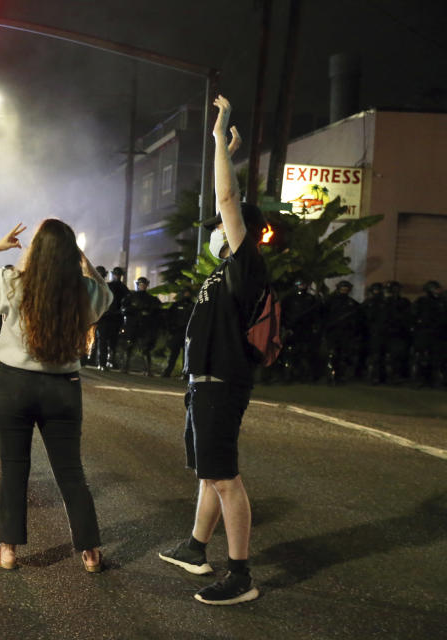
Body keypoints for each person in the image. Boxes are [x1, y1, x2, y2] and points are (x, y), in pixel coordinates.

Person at [158, 96, 265, 605]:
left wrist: (221, 139)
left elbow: (228, 199)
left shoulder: (246, 266)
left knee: (225, 477)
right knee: (209, 472)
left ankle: (241, 575)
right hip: (206, 383)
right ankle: (197, 548)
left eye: (223, 227)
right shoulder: (224, 271)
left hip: (222, 384)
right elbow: (225, 203)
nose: (218, 231)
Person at [0, 220, 111, 573]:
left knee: (14, 468)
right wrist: (80, 257)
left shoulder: (12, 282)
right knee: (71, 471)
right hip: (64, 387)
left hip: (14, 385)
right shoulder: (84, 290)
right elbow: (107, 294)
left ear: (34, 250)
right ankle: (90, 553)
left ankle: (8, 550)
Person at [279, 279, 322, 382]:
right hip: (291, 329)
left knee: (305, 353)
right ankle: (287, 376)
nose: (301, 286)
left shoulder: (311, 299)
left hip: (305, 330)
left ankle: (304, 376)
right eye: (299, 284)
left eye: (303, 284)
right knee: (289, 353)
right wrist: (286, 326)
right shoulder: (288, 299)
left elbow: (316, 315)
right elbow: (282, 314)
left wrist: (315, 327)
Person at [322, 280, 362, 384]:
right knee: (332, 354)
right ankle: (331, 375)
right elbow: (323, 315)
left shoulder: (352, 303)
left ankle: (340, 376)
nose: (344, 290)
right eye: (342, 287)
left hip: (346, 333)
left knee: (344, 355)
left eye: (346, 288)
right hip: (332, 331)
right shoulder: (330, 301)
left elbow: (357, 319)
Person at [123, 276, 161, 376]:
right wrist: (135, 310)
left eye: (144, 285)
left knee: (146, 348)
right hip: (133, 325)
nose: (142, 286)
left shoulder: (151, 298)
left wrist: (148, 312)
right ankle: (125, 367)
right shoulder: (131, 297)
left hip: (145, 326)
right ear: (138, 285)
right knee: (129, 345)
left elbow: (156, 310)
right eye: (141, 284)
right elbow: (124, 309)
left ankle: (148, 370)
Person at [411, 280, 445, 387]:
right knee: (420, 358)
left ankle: (434, 380)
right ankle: (418, 379)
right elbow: (413, 316)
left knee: (436, 358)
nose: (439, 290)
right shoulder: (422, 301)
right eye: (436, 288)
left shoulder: (442, 302)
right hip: (424, 334)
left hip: (438, 334)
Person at [97, 266, 129, 371]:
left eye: (118, 275)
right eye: (115, 274)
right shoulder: (107, 286)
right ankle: (102, 362)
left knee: (113, 342)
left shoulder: (123, 288)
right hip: (106, 317)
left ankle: (110, 361)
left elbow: (128, 301)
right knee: (103, 341)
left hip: (116, 318)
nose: (117, 276)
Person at [162, 286, 194, 377]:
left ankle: (185, 374)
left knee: (186, 354)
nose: (187, 294)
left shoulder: (193, 306)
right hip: (177, 332)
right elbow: (169, 317)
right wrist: (171, 329)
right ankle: (168, 372)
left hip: (187, 333)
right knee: (173, 353)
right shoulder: (176, 305)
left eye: (188, 292)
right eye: (185, 292)